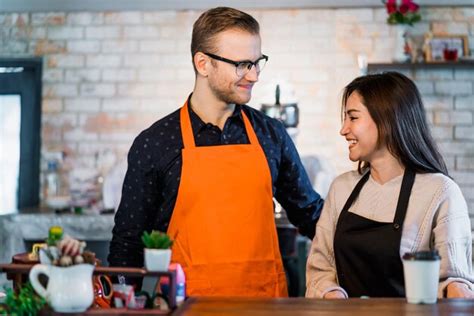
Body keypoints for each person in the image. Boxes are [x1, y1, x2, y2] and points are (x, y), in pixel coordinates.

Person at [108, 7, 324, 297]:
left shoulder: (271, 134)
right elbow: (128, 244)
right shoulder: (156, 143)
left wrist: (374, 237)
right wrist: (125, 304)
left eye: (258, 62)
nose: (254, 75)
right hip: (185, 306)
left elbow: (310, 214)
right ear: (203, 63)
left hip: (265, 305)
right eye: (242, 64)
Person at [306, 72, 474, 299]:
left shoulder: (441, 192)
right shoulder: (341, 189)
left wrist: (458, 292)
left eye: (353, 118)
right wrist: (335, 298)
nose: (343, 129)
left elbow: (455, 280)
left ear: (386, 120)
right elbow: (320, 269)